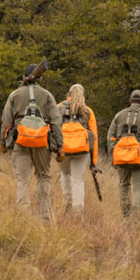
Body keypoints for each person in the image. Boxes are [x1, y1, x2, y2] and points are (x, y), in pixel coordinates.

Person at [0, 63, 64, 223]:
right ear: (40, 78)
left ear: (24, 77)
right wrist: (60, 147)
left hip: (20, 141)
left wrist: (3, 141)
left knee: (22, 180)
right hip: (42, 142)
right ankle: (45, 218)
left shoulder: (14, 95)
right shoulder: (47, 95)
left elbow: (6, 121)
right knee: (43, 177)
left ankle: (24, 219)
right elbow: (56, 122)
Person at [108, 89, 140, 219]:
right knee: (138, 189)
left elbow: (110, 137)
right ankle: (135, 220)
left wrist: (112, 156)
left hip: (121, 156)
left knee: (124, 185)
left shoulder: (118, 115)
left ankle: (126, 217)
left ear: (130, 101)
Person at [57, 83, 99, 214]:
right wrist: (94, 162)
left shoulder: (58, 107)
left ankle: (67, 203)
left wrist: (54, 149)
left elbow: (52, 129)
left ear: (68, 94)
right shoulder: (87, 111)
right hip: (82, 150)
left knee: (64, 174)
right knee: (78, 180)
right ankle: (78, 212)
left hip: (63, 149)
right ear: (83, 94)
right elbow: (95, 137)